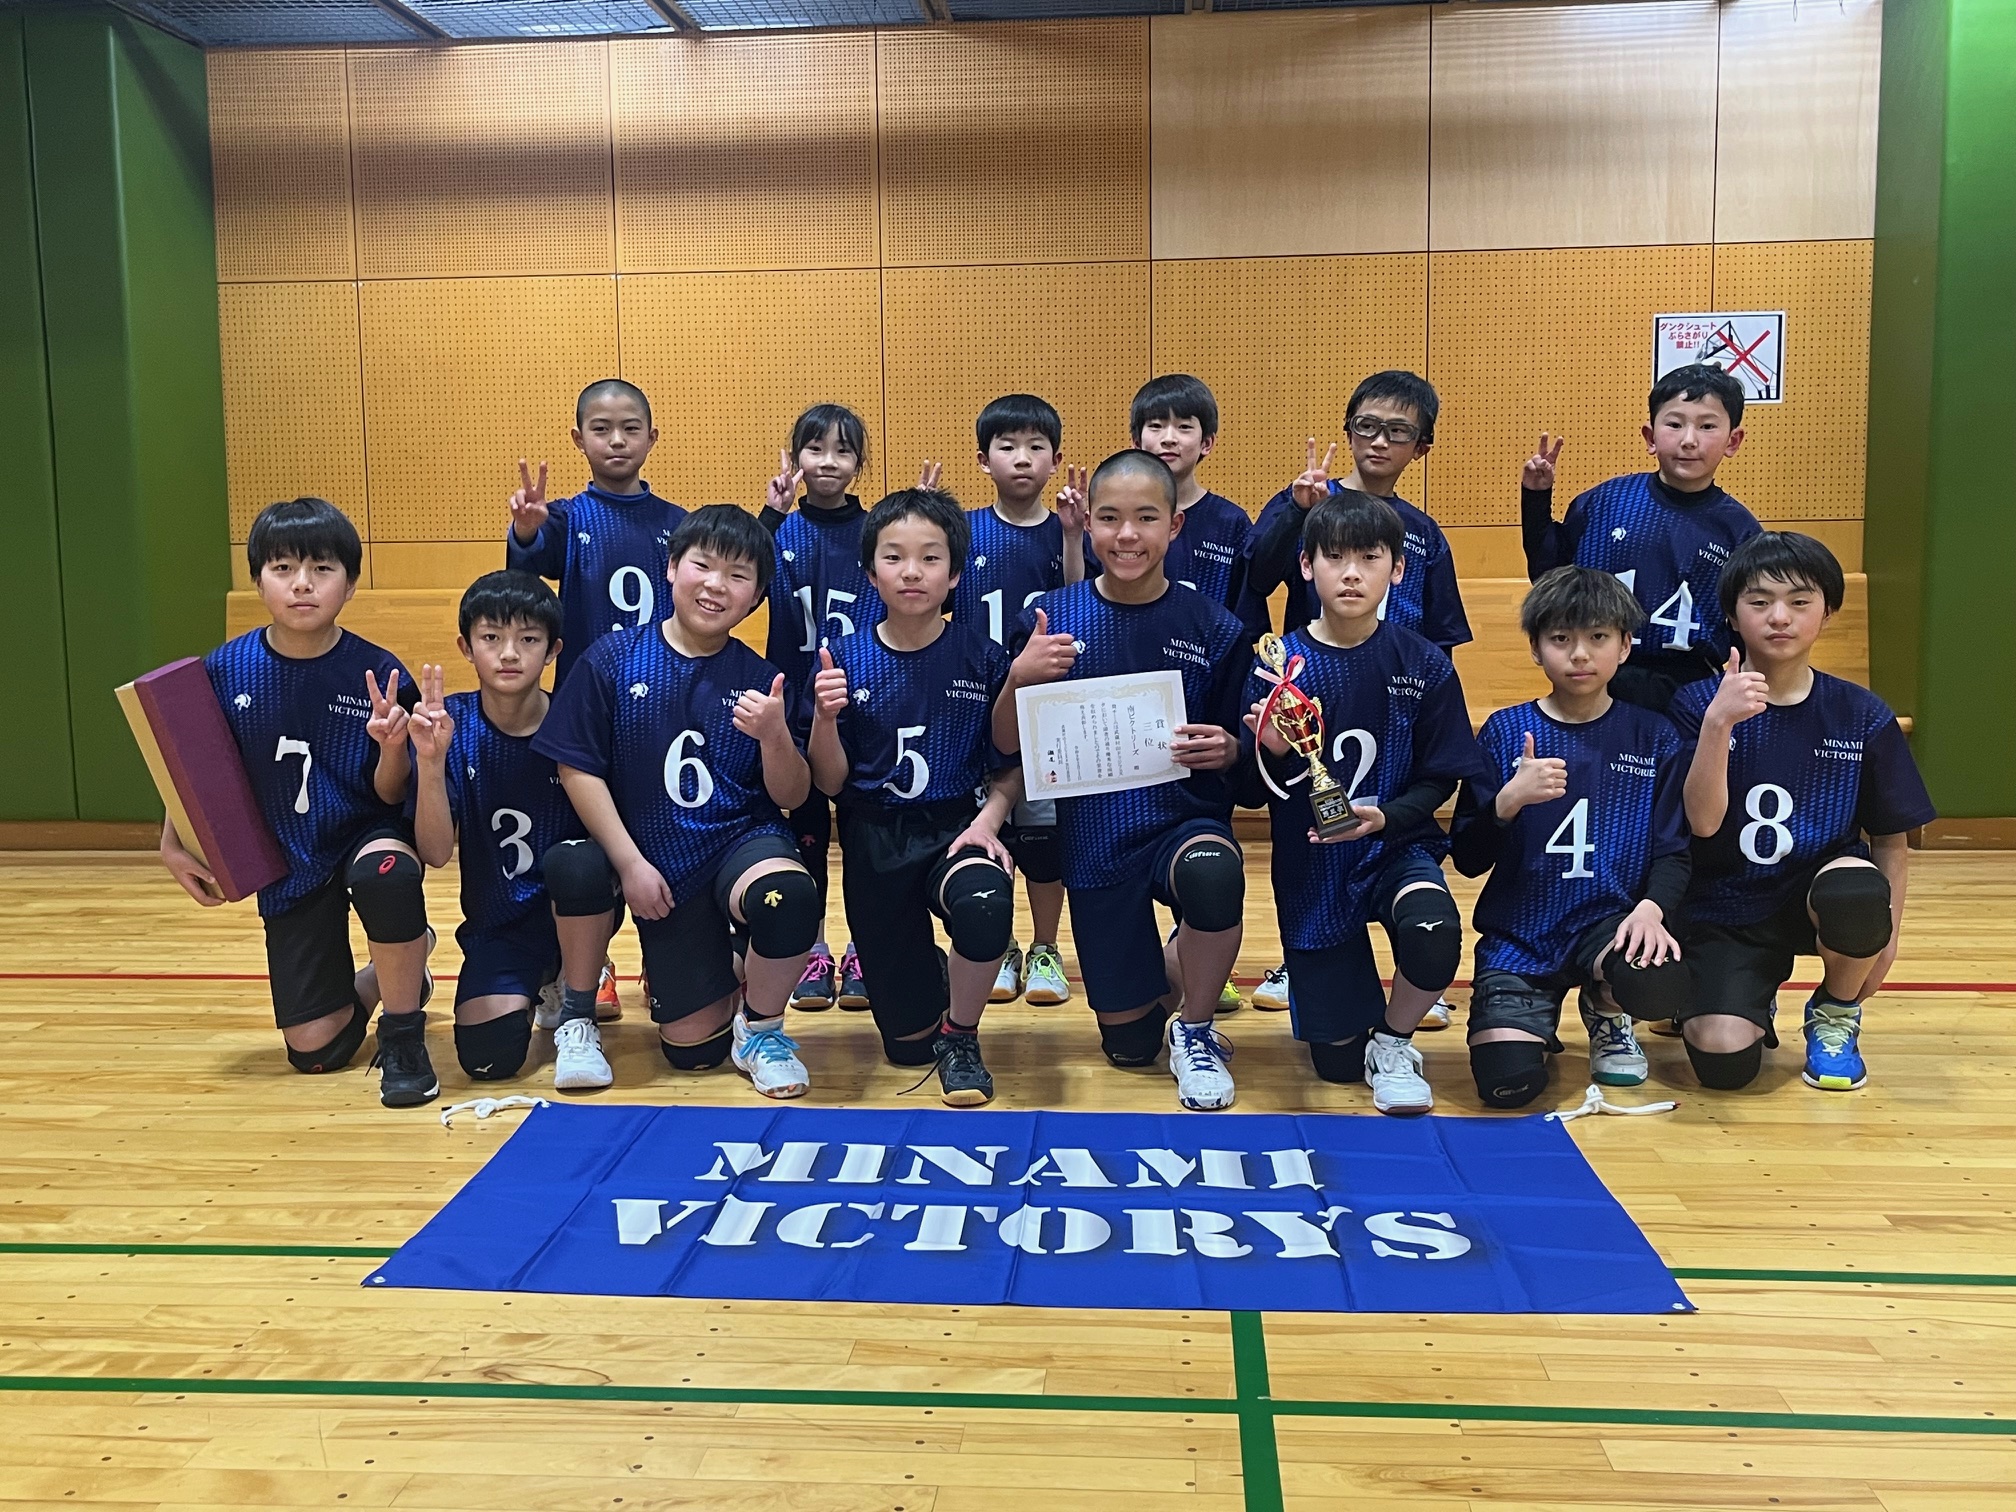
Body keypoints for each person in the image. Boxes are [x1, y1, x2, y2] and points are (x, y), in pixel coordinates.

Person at [534, 505, 822, 1099]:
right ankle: (585, 1013)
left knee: (789, 895)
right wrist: (630, 864)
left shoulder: (761, 677)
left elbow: (792, 795)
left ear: (756, 597)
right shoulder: (611, 659)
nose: (716, 585)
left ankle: (761, 1030)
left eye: (738, 575)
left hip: (737, 843)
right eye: (703, 565)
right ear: (670, 567)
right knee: (692, 1051)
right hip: (654, 858)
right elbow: (575, 767)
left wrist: (774, 736)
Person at [994, 451, 1249, 1111]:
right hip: (1096, 841)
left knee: (1213, 878)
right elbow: (1004, 743)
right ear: (1088, 524)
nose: (1127, 535)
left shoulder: (1215, 628)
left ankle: (1196, 1027)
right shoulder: (1050, 619)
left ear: (1175, 525)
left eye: (1146, 518)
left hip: (1184, 822)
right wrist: (1019, 677)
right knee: (1131, 1047)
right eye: (1108, 518)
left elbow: (1244, 750)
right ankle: (1172, 972)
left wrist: (1230, 749)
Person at [161, 498, 436, 1107]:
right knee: (316, 1050)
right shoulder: (224, 670)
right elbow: (193, 772)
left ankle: (404, 1036)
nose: (302, 584)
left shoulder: (378, 672)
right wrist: (171, 841)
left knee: (388, 874)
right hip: (289, 854)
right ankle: (393, 972)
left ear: (351, 583)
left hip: (366, 833)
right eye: (283, 568)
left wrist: (392, 748)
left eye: (322, 568)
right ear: (258, 580)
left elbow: (391, 795)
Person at [1238, 491, 1483, 1113]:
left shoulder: (1424, 663)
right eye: (1335, 557)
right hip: (1313, 861)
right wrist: (1272, 752)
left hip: (1397, 845)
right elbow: (1251, 793)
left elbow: (1440, 779)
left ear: (1397, 570)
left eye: (1369, 558)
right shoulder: (1277, 667)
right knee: (1337, 1066)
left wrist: (1385, 818)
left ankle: (1395, 1041)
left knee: (1433, 931)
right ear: (1306, 566)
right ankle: (1357, 1034)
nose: (1351, 573)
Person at [1238, 371, 1472, 1020]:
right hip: (1315, 701)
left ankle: (1413, 973)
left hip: (1395, 701)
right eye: (1367, 426)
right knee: (1316, 847)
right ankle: (1306, 958)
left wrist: (1428, 706)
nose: (1379, 441)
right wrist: (1295, 509)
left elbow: (1440, 634)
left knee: (1401, 864)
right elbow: (1256, 575)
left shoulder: (1423, 534)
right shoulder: (1308, 503)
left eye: (1397, 431)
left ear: (1421, 446)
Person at [1670, 532, 1935, 1092]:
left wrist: (1886, 937)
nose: (1779, 617)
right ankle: (1748, 994)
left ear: (1828, 612)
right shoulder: (1695, 704)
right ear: (1733, 615)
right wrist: (1719, 723)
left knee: (1857, 892)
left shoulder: (1861, 714)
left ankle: (1835, 1012)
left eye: (1799, 601)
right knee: (1723, 1065)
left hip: (1818, 892)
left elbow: (1890, 839)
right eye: (1759, 601)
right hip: (1725, 903)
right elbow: (1703, 823)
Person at [807, 488, 1020, 1105]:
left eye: (930, 557)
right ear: (870, 570)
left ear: (954, 574)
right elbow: (829, 783)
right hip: (874, 838)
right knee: (905, 1047)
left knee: (984, 908)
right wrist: (824, 719)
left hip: (958, 828)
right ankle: (929, 980)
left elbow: (1010, 766)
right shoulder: (842, 659)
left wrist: (989, 822)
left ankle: (962, 1035)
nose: (911, 571)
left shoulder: (983, 659)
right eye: (894, 556)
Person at [1450, 568, 1691, 1108]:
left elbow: (1674, 852)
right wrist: (1508, 802)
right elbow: (1466, 857)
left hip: (1609, 926)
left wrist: (1651, 909)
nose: (1580, 654)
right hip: (1521, 935)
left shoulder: (1654, 736)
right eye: (1561, 638)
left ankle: (1608, 1008)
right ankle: (1529, 1018)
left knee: (1656, 982)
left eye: (1598, 637)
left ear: (1625, 646)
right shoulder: (1505, 731)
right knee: (1507, 1085)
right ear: (1536, 649)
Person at [408, 571, 623, 1094]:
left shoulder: (578, 719)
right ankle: (542, 983)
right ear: (466, 647)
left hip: (577, 905)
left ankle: (578, 1005)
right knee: (487, 1061)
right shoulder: (450, 724)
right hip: (499, 924)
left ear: (553, 651)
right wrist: (430, 765)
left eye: (528, 639)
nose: (509, 654)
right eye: (491, 637)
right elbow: (434, 852)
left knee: (577, 860)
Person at [506, 375, 678, 1017]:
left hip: (661, 705)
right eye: (601, 430)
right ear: (578, 439)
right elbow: (526, 578)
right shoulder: (563, 517)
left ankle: (666, 960)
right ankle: (591, 965)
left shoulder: (678, 524)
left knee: (662, 833)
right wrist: (527, 532)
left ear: (652, 437)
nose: (617, 441)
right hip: (586, 713)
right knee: (586, 845)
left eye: (630, 429)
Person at [944, 394, 1086, 1011]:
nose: (1022, 458)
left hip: (1047, 707)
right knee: (988, 827)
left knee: (1044, 835)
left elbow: (1081, 600)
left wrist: (1076, 537)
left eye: (1035, 447)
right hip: (977, 703)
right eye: (1007, 446)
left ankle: (1045, 947)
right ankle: (999, 944)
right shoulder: (964, 529)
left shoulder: (1067, 527)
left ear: (1055, 459)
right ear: (984, 460)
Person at [1520, 362, 1762, 713]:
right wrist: (1536, 499)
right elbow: (1549, 577)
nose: (1689, 440)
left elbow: (1750, 626)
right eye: (1674, 424)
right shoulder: (1603, 502)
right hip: (1597, 679)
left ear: (1733, 441)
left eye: (1707, 426)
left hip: (1691, 687)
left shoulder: (1740, 530)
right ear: (1650, 437)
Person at [760, 403, 881, 1016]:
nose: (828, 462)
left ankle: (863, 949)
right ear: (796, 457)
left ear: (859, 462)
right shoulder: (780, 529)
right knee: (805, 839)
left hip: (863, 707)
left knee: (861, 841)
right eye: (815, 449)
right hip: (794, 711)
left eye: (842, 451)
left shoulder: (877, 530)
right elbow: (741, 578)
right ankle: (812, 949)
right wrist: (771, 514)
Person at [1131, 373, 1251, 613]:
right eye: (1156, 426)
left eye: (1184, 427)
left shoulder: (1231, 523)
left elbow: (1246, 617)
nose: (1168, 439)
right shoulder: (1118, 518)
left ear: (1206, 443)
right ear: (1136, 442)